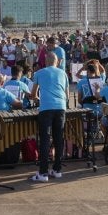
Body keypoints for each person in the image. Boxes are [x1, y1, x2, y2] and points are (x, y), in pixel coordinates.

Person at [29, 52, 69, 183]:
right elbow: (67, 95)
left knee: (45, 140)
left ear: (45, 62)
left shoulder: (39, 73)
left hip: (46, 108)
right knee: (59, 139)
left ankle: (43, 172)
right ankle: (57, 170)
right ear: (57, 62)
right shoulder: (63, 73)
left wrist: (37, 98)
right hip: (61, 108)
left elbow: (33, 94)